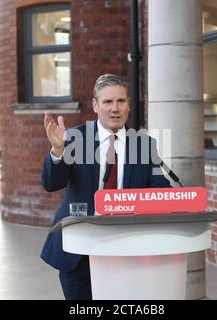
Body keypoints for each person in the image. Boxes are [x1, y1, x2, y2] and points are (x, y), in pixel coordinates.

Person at [40, 73, 171, 300]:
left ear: (129, 105)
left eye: (121, 101)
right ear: (95, 105)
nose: (115, 108)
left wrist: (178, 200)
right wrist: (58, 151)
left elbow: (161, 192)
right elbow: (52, 184)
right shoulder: (73, 138)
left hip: (125, 250)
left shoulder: (144, 144)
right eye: (108, 102)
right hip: (78, 249)